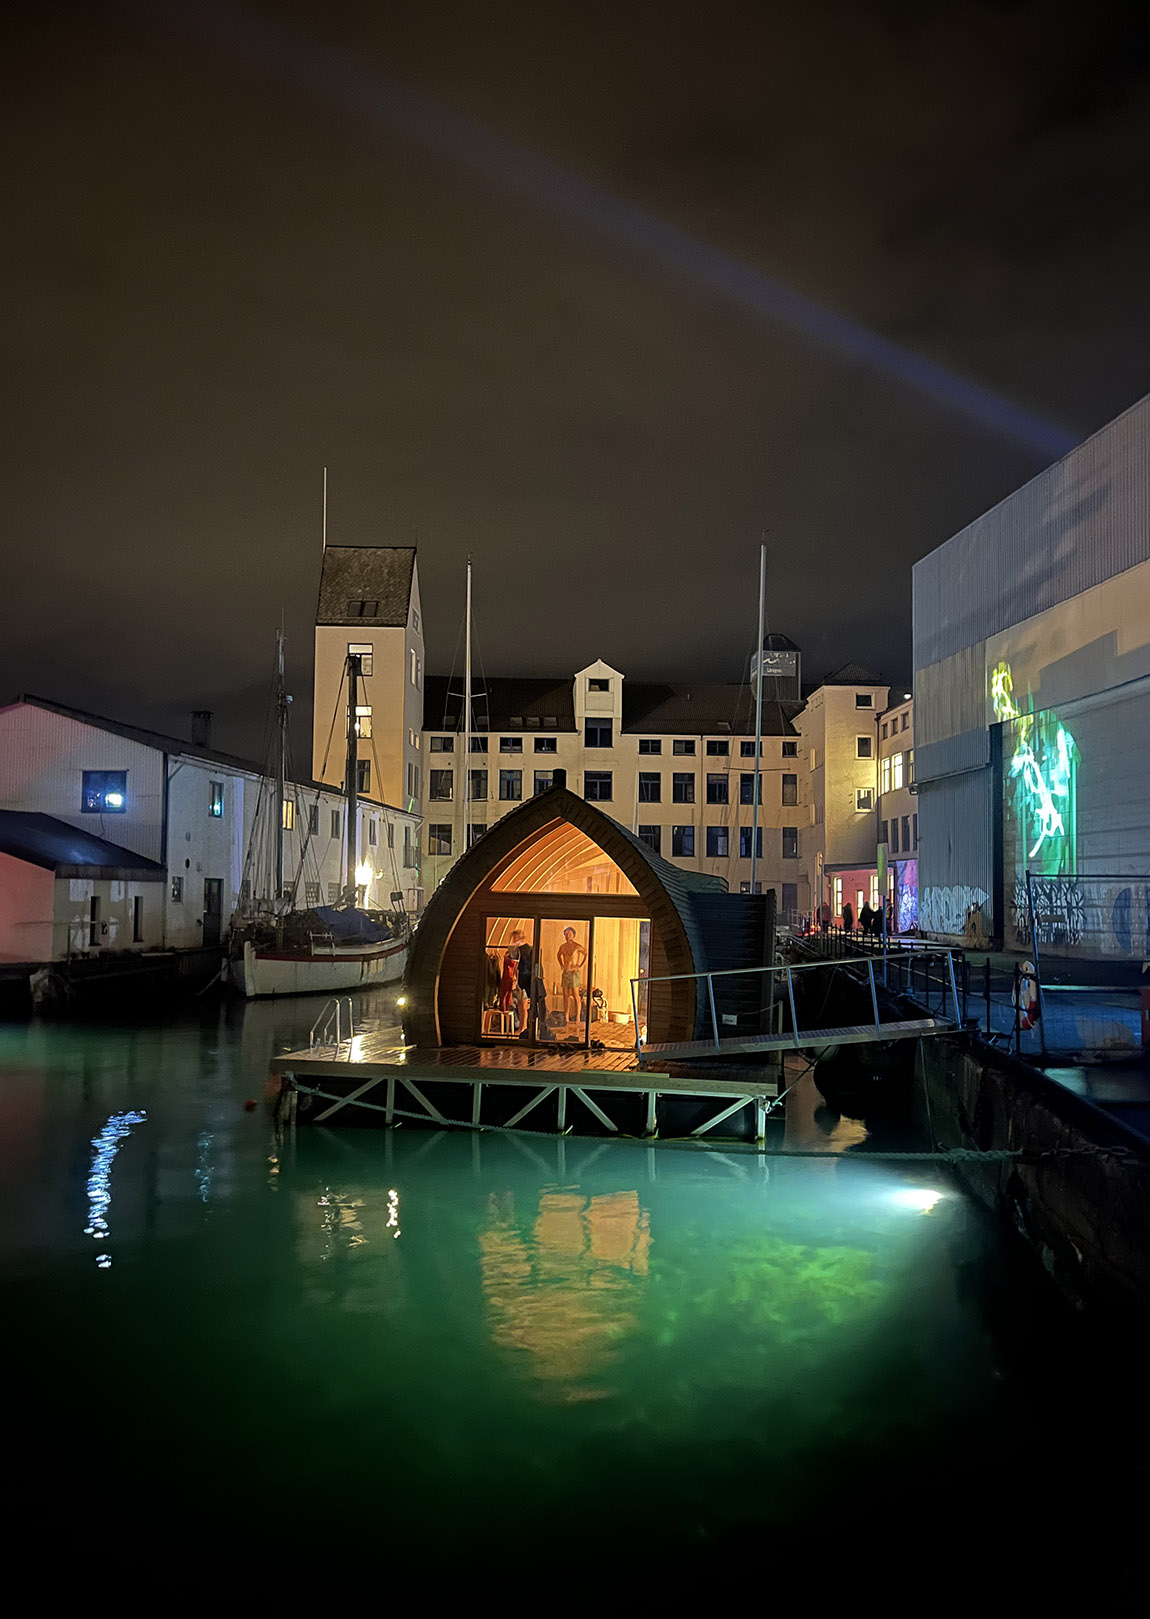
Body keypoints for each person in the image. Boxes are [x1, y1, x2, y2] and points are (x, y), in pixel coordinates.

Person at [557, 926, 587, 1026]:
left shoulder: (577, 946)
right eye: (566, 933)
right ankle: (566, 1016)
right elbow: (558, 955)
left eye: (569, 933)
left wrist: (580, 966)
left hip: (574, 972)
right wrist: (562, 965)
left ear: (573, 935)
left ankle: (578, 1016)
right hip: (566, 972)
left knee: (575, 994)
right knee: (565, 995)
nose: (567, 935)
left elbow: (586, 954)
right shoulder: (562, 947)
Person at [510, 927, 533, 1035]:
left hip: (523, 980)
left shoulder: (524, 949)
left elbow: (520, 966)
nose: (514, 939)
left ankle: (523, 1027)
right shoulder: (517, 949)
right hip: (520, 980)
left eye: (516, 937)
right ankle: (522, 1027)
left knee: (523, 1005)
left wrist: (517, 979)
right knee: (520, 1004)